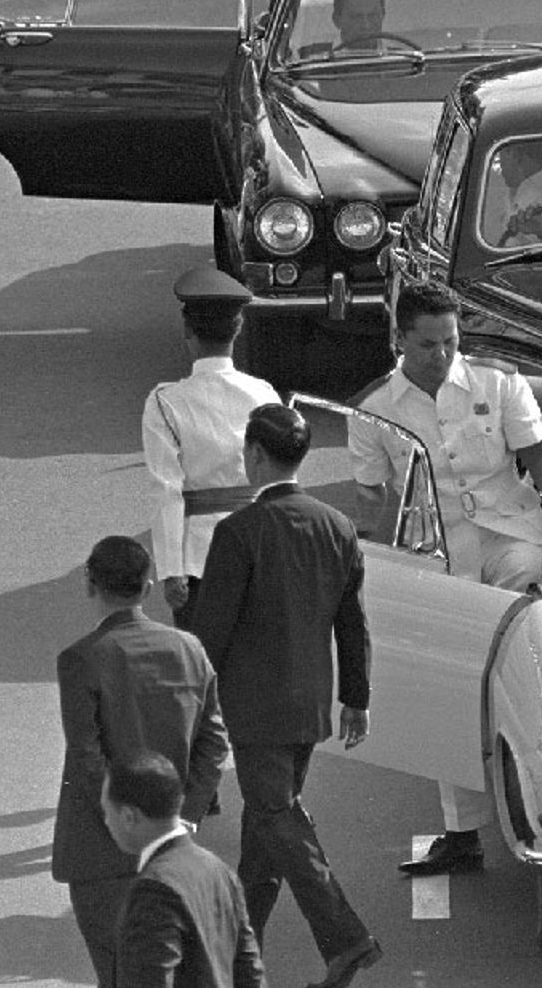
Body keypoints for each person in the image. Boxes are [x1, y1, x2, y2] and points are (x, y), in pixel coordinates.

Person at [350, 281, 542, 876]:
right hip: (439, 552)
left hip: (513, 535)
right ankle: (463, 834)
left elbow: (541, 465)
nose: (441, 355)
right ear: (399, 340)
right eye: (427, 345)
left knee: (531, 645)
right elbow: (372, 501)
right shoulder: (373, 409)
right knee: (451, 686)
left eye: (450, 341)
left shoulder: (497, 382)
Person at [188, 405, 381, 988]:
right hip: (310, 704)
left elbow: (212, 631)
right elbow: (353, 623)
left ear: (253, 455)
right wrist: (355, 697)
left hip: (254, 709)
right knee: (266, 830)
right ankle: (235, 954)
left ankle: (345, 939)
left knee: (276, 817)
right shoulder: (336, 526)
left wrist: (192, 703)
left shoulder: (238, 532)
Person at [52, 536, 231, 988]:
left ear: (89, 583)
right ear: (148, 587)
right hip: (173, 846)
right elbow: (213, 743)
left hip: (102, 855)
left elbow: (87, 755)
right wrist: (184, 815)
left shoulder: (81, 659)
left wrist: (123, 821)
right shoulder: (190, 649)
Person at [141, 267, 280, 629]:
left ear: (187, 329)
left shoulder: (165, 402)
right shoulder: (264, 394)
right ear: (239, 327)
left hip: (200, 557)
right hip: (262, 548)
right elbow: (280, 478)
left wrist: (172, 570)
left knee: (203, 657)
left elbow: (166, 489)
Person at [102, 753, 264, 988]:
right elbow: (250, 972)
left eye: (107, 812)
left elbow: (151, 981)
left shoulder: (154, 890)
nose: (107, 821)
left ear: (129, 816)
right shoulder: (220, 871)